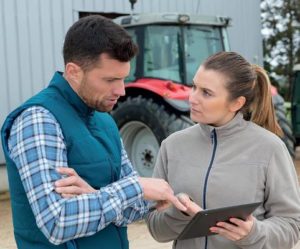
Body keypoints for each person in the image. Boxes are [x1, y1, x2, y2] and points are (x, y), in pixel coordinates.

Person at [0, 15, 186, 249]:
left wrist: (93, 193)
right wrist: (134, 188)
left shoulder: (105, 120)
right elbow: (57, 223)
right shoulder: (38, 120)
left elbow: (135, 209)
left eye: (123, 78)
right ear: (74, 72)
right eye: (110, 79)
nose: (121, 90)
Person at [145, 51, 300, 249]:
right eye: (194, 87)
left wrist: (252, 233)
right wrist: (180, 213)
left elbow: (291, 226)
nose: (192, 98)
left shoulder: (270, 149)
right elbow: (156, 231)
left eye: (206, 93)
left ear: (237, 103)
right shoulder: (172, 146)